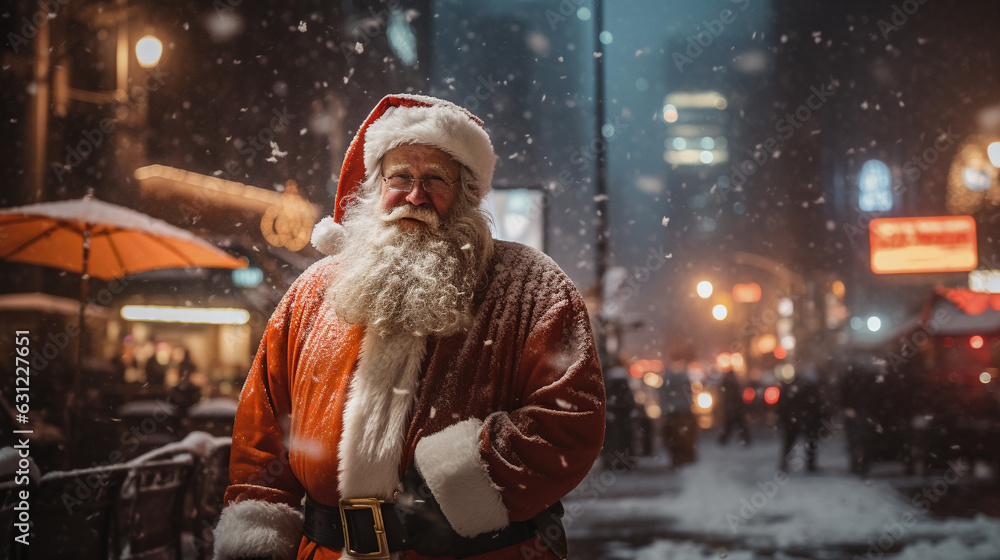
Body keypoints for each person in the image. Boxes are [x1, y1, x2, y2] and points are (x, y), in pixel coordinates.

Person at [213, 94, 606, 560]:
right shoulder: (312, 292)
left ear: (467, 192)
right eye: (400, 177)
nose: (415, 195)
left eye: (435, 178)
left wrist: (455, 482)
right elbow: (260, 435)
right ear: (376, 187)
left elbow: (571, 415)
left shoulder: (532, 284)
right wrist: (256, 541)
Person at [659, 360, 697, 469]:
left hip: (672, 413)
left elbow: (663, 395)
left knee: (672, 438)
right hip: (684, 412)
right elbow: (689, 394)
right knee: (684, 437)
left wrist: (664, 410)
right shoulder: (684, 378)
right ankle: (684, 457)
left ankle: (675, 458)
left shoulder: (667, 378)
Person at [717, 367, 751, 446]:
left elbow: (725, 394)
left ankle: (723, 440)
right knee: (739, 425)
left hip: (732, 407)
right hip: (735, 407)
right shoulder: (732, 382)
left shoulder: (727, 382)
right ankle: (745, 439)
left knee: (730, 426)